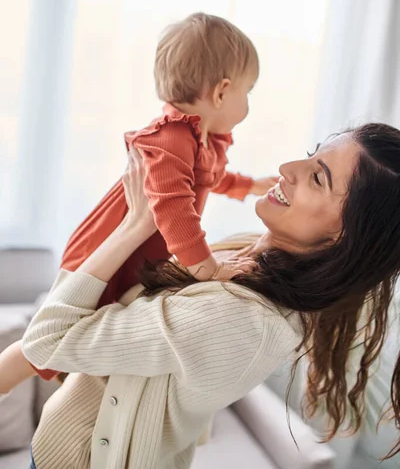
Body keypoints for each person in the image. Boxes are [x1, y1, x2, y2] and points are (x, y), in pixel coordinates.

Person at [14, 122, 400, 469]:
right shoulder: (251, 254)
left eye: (318, 177)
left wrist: (134, 225)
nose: (287, 168)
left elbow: (47, 340)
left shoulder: (243, 319)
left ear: (347, 236)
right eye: (309, 155)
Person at [0, 12, 277, 387]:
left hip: (136, 256)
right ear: (222, 92)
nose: (248, 104)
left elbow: (208, 178)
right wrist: (206, 268)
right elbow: (175, 209)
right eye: (250, 92)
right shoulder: (172, 138)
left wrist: (249, 185)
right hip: (104, 253)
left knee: (81, 343)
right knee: (46, 343)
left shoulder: (202, 140)